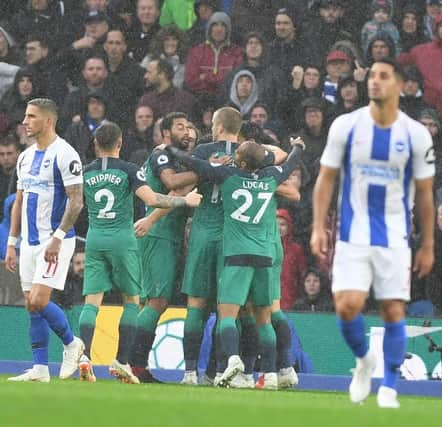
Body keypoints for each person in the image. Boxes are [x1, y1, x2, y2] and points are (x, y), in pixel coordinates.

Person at [310, 58, 435, 408]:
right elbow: (326, 179)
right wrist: (319, 227)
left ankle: (390, 387)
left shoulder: (415, 134)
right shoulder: (346, 126)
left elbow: (425, 193)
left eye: (384, 76)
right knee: (347, 308)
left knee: (393, 310)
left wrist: (427, 243)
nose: (375, 82)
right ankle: (365, 360)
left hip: (395, 236)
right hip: (353, 234)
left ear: (399, 84)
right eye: (373, 76)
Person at [168, 137, 305, 390]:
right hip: (265, 256)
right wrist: (298, 146)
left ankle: (231, 361)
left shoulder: (228, 176)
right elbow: (292, 162)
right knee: (264, 317)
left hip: (237, 255)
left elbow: (195, 164)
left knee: (228, 315)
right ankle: (273, 375)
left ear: (239, 161)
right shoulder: (271, 178)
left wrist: (171, 150)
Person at [77, 121, 202, 383]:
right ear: (120, 143)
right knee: (137, 301)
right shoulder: (134, 168)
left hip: (95, 238)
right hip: (130, 238)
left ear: (96, 144)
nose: (187, 131)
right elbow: (156, 197)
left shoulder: (85, 172)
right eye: (180, 126)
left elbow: (74, 204)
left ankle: (84, 356)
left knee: (93, 301)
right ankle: (127, 362)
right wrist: (187, 198)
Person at [5, 98, 85, 382]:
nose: (25, 122)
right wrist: (12, 243)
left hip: (57, 242)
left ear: (48, 121)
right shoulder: (26, 157)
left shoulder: (65, 154)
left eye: (31, 116)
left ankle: (72, 344)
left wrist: (58, 237)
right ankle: (40, 368)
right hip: (29, 241)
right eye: (26, 116)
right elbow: (19, 201)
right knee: (31, 305)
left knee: (39, 301)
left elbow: (76, 201)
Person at [128, 111, 199, 382]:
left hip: (167, 236)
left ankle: (133, 363)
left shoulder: (177, 158)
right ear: (166, 133)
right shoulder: (162, 155)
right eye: (181, 127)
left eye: (190, 126)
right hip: (158, 234)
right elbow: (172, 186)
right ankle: (133, 365)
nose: (187, 132)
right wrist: (204, 170)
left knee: (155, 301)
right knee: (156, 301)